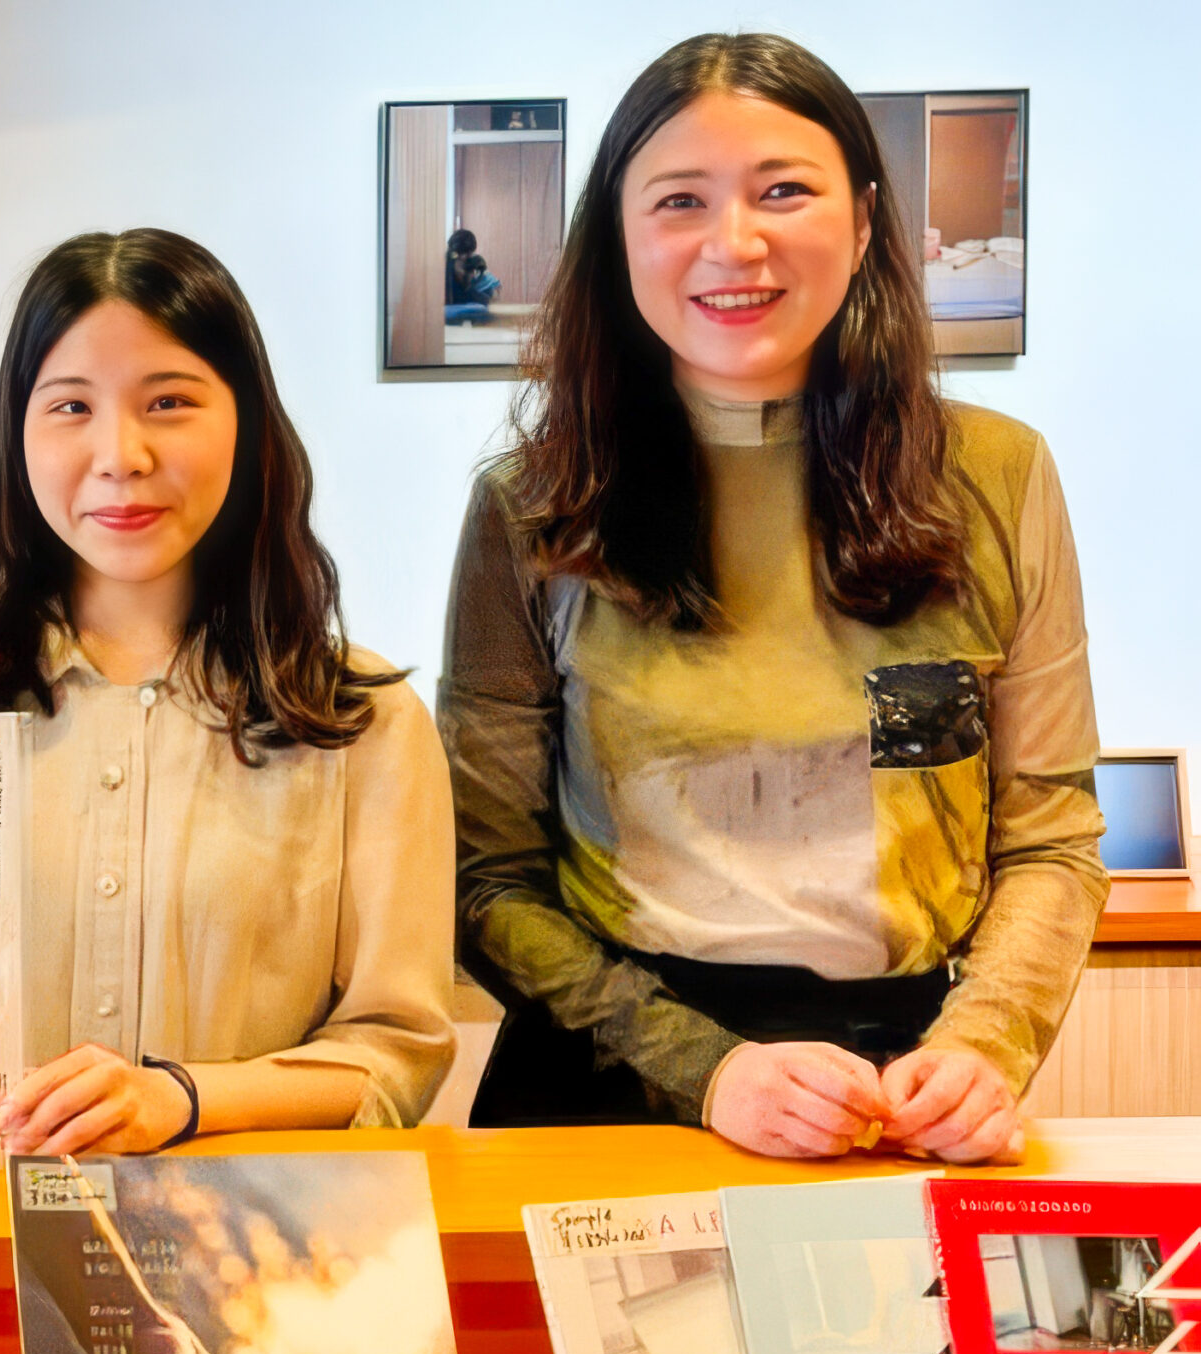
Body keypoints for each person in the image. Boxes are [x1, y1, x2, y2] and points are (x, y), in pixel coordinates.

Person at [438, 32, 1103, 1163]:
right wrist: (709, 1069)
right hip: (604, 1078)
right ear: (616, 241)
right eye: (680, 200)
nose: (732, 244)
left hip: (899, 1086)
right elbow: (487, 877)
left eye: (783, 190)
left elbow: (1050, 837)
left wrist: (986, 1043)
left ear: (860, 219)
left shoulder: (998, 477)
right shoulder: (532, 509)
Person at [0, 228, 457, 1155]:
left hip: (248, 1258)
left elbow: (397, 1055)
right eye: (71, 406)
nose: (121, 454)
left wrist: (182, 1100)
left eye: (170, 401)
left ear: (248, 422)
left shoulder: (365, 723)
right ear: (16, 435)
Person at [444, 229, 500, 325]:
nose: (464, 257)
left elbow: (493, 291)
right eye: (461, 255)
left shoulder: (474, 263)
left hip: (465, 303)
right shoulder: (446, 266)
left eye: (468, 254)